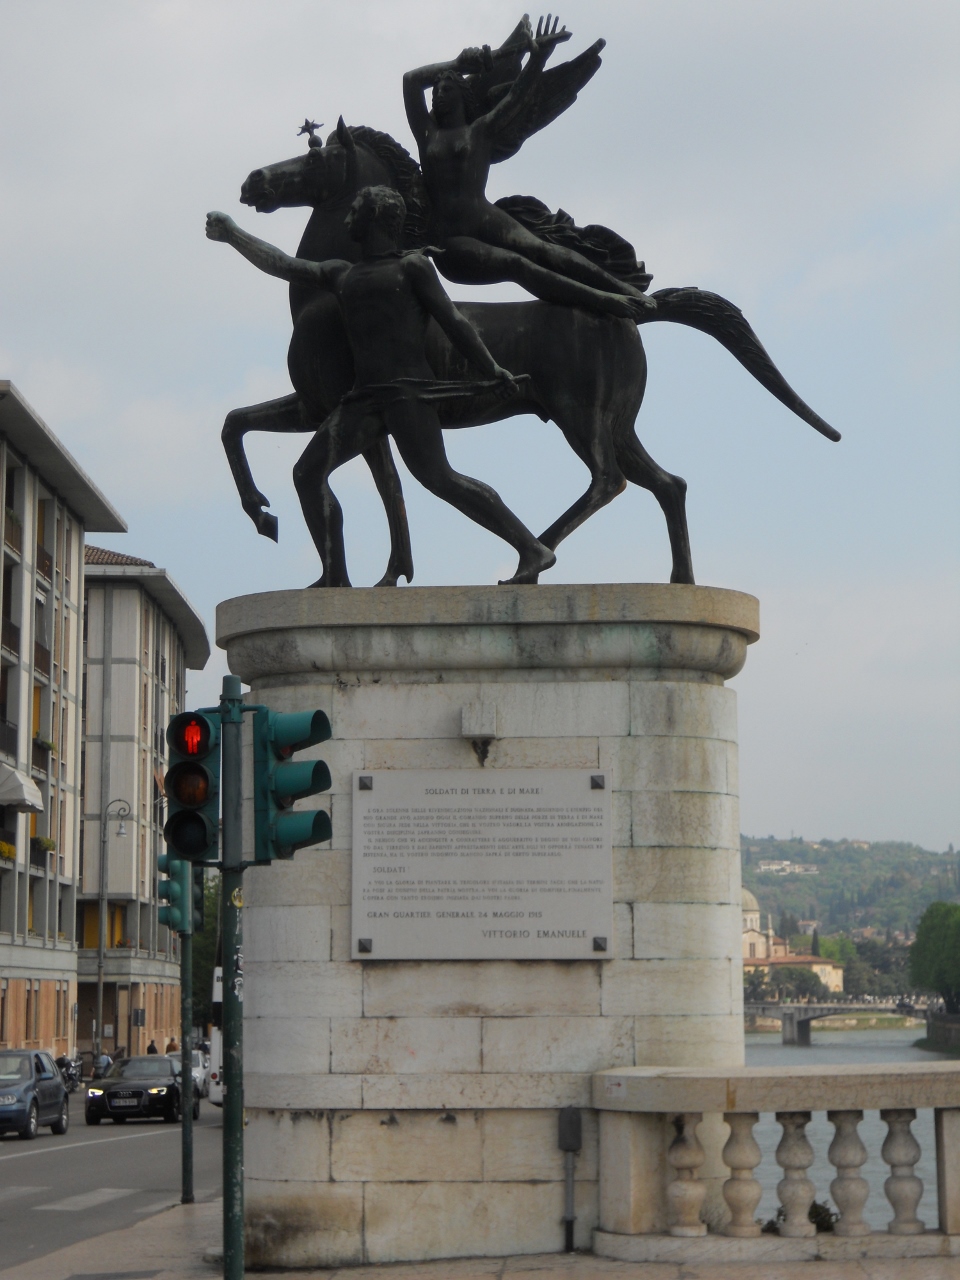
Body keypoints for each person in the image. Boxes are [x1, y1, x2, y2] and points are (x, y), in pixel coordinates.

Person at [206, 187, 556, 587]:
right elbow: (283, 264)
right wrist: (234, 235)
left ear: (374, 218)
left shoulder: (413, 268)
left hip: (409, 395)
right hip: (365, 400)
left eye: (354, 211)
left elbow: (455, 322)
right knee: (307, 473)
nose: (346, 219)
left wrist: (491, 368)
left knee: (441, 479)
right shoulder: (342, 273)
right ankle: (335, 575)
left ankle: (531, 548)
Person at [402, 16, 655, 320]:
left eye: (446, 90)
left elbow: (517, 98)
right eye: (436, 91)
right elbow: (411, 81)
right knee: (518, 265)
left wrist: (538, 58)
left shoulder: (481, 130)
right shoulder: (427, 133)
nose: (438, 95)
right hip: (450, 237)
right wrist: (459, 64)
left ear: (462, 96)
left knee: (542, 250)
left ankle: (626, 289)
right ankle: (604, 300)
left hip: (481, 216)